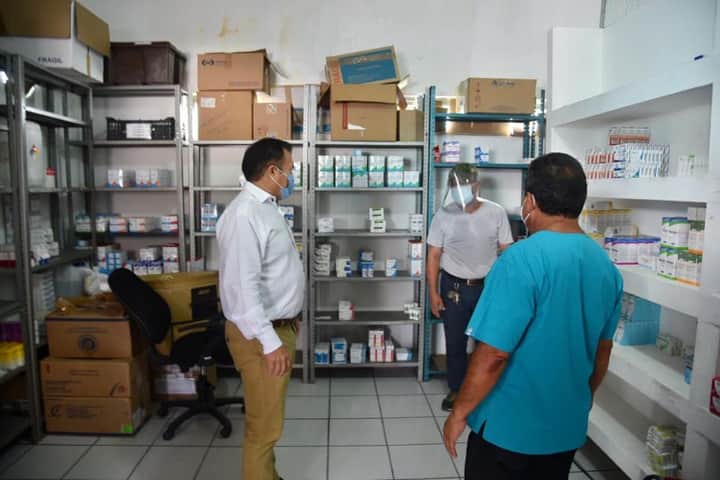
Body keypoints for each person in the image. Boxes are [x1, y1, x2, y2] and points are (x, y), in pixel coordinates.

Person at [441, 153, 624, 480]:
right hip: (564, 427)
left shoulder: (519, 260)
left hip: (509, 429)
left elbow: (493, 354)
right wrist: (580, 399)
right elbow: (602, 351)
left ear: (530, 201)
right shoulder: (606, 267)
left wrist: (459, 413)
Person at [216, 138, 303, 480]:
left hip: (277, 327)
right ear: (272, 171)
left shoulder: (266, 206)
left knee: (269, 422)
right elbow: (242, 289)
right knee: (263, 430)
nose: (292, 176)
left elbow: (272, 272)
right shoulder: (244, 215)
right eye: (290, 170)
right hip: (259, 336)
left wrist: (289, 316)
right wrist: (270, 342)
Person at [427, 164, 513, 411]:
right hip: (453, 287)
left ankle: (481, 390)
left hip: (487, 288)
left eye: (463, 186)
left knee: (486, 342)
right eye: (453, 187)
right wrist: (433, 293)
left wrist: (507, 291)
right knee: (455, 341)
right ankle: (457, 389)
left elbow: (507, 252)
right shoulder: (443, 215)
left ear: (476, 186)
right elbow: (434, 255)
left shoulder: (496, 212)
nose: (458, 191)